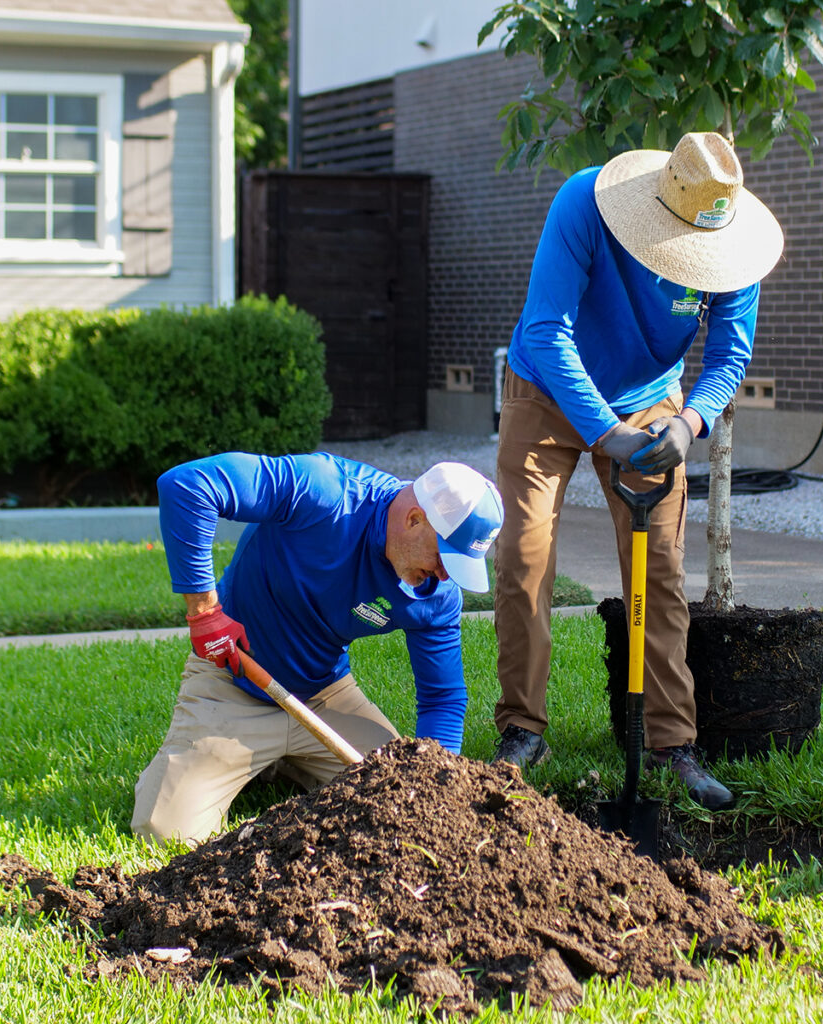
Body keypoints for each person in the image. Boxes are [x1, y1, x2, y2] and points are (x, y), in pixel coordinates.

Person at [491, 132, 784, 811]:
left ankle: (671, 743)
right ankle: (523, 731)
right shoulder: (585, 205)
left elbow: (729, 357)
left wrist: (689, 424)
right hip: (545, 391)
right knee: (524, 555)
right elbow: (545, 331)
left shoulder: (734, 251)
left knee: (659, 571)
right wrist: (606, 433)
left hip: (652, 399)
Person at [133, 452, 503, 845]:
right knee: (164, 831)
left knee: (401, 800)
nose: (445, 575)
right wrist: (204, 613)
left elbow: (442, 698)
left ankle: (276, 763)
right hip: (235, 681)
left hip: (324, 697)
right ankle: (244, 760)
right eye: (444, 557)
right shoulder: (324, 491)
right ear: (415, 520)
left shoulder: (437, 595)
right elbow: (188, 485)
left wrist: (436, 788)